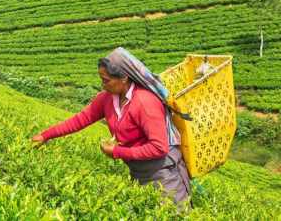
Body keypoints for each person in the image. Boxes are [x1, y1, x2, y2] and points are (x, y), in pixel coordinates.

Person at [31, 47, 191, 208]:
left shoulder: (145, 102)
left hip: (164, 171)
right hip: (137, 170)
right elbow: (80, 120)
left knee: (175, 213)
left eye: (106, 80)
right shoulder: (107, 99)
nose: (102, 85)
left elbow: (159, 148)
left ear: (124, 78)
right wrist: (46, 135)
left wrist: (117, 152)